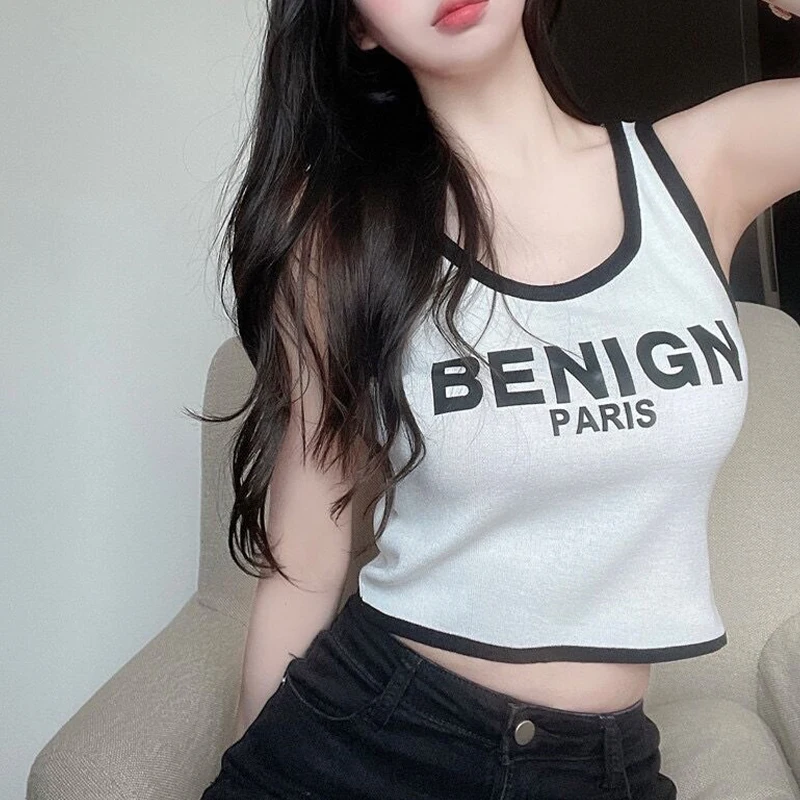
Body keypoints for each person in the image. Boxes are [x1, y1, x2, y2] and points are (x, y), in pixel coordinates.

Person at [198, 0, 757, 797]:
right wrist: (248, 766)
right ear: (358, 26)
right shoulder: (343, 235)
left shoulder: (707, 163)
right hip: (369, 730)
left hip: (598, 766)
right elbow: (308, 549)